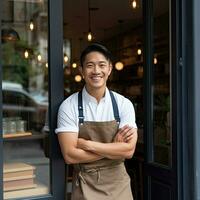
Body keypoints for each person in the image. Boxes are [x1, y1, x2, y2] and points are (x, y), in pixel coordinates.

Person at [55, 43, 138, 200]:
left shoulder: (123, 104)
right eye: (90, 65)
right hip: (85, 184)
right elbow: (70, 156)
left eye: (101, 65)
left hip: (118, 185)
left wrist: (87, 144)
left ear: (109, 69)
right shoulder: (69, 106)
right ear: (82, 71)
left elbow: (128, 151)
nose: (96, 71)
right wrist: (113, 149)